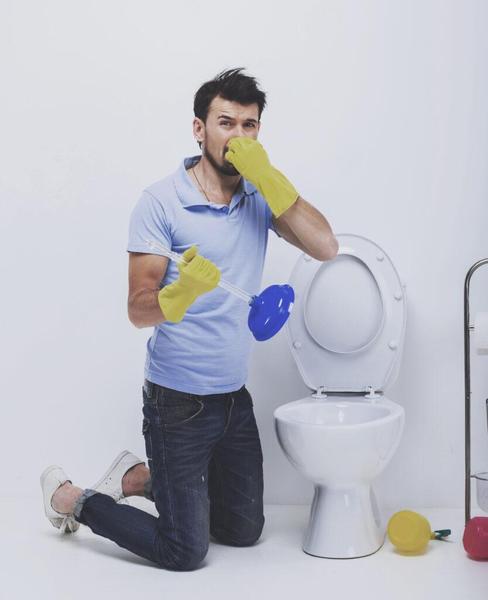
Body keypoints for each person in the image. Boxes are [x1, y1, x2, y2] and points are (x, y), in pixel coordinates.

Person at [40, 67, 338, 570]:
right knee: (184, 551)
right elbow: (138, 309)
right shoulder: (161, 202)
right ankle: (72, 498)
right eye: (226, 123)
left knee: (243, 532)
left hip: (233, 398)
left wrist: (267, 176)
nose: (237, 137)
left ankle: (140, 477)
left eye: (249, 126)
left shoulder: (260, 195)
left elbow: (326, 247)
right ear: (199, 129)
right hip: (176, 403)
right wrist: (180, 295)